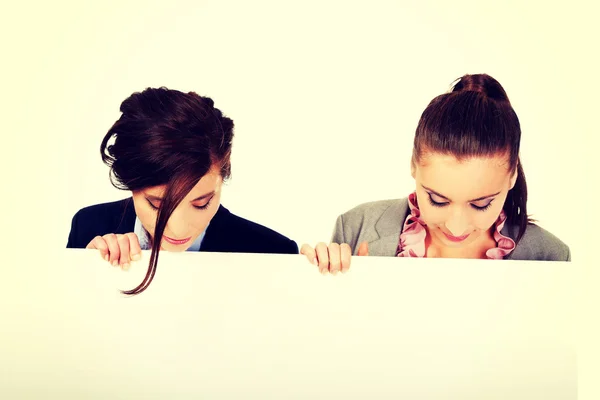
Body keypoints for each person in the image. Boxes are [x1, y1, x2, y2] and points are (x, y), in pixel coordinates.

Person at [301, 73, 571, 274]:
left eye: (481, 204)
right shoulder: (356, 227)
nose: (456, 227)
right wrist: (316, 277)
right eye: (438, 200)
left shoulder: (550, 257)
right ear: (413, 165)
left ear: (512, 175)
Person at [67, 87, 298, 294]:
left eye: (201, 203)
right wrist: (88, 274)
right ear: (131, 185)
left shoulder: (272, 251)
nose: (178, 229)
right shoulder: (88, 226)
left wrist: (328, 276)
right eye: (157, 205)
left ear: (223, 176)